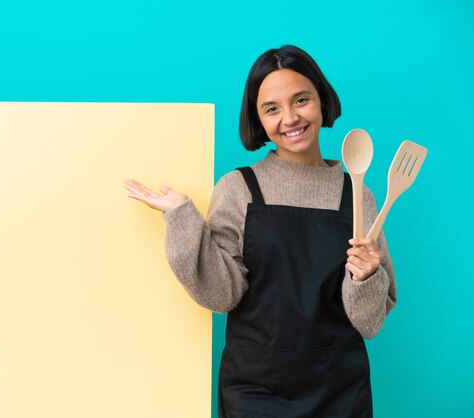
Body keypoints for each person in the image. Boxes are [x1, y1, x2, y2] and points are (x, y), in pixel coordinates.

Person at [124, 45, 396, 418]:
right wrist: (182, 219)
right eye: (272, 108)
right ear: (257, 118)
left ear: (322, 99)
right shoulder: (238, 189)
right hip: (255, 389)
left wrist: (366, 277)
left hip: (339, 387)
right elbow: (222, 296)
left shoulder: (357, 195)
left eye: (301, 100)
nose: (290, 118)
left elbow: (370, 322)